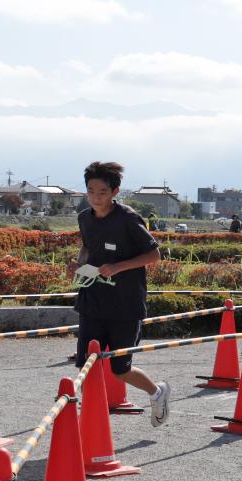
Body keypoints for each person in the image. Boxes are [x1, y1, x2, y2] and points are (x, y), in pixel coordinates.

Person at [69, 161, 169, 423]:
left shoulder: (127, 219)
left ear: (114, 192)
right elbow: (88, 247)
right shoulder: (84, 218)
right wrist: (79, 266)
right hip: (92, 302)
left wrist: (118, 267)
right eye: (91, 191)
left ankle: (157, 392)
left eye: (102, 192)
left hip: (125, 306)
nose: (95, 197)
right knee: (85, 365)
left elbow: (154, 255)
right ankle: (90, 419)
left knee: (120, 369)